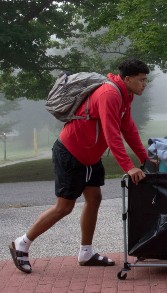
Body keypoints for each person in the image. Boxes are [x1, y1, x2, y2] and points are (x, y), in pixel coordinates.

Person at [9, 58, 151, 273]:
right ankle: (22, 243)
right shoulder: (109, 94)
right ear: (128, 79)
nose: (145, 84)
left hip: (90, 157)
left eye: (146, 80)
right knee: (64, 207)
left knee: (94, 199)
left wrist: (145, 159)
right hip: (71, 153)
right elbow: (112, 133)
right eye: (141, 80)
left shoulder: (125, 95)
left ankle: (86, 253)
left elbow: (128, 128)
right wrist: (128, 167)